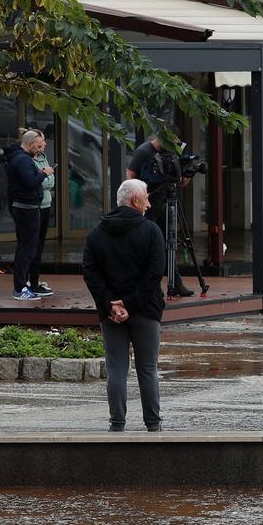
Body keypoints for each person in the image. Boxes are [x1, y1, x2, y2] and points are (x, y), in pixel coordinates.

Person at [82, 178, 168, 433]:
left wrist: (110, 304)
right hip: (145, 310)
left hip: (110, 314)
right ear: (135, 201)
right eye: (147, 199)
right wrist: (130, 304)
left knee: (116, 369)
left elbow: (90, 271)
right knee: (148, 369)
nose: (149, 204)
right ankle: (153, 424)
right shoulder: (151, 231)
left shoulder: (97, 232)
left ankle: (116, 423)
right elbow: (155, 273)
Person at [127, 134, 194, 297]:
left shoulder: (173, 152)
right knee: (150, 245)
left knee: (169, 243)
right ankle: (152, 286)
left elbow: (181, 182)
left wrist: (187, 174)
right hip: (146, 204)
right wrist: (135, 200)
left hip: (166, 202)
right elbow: (130, 175)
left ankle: (175, 283)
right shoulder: (143, 151)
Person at [3, 129, 55, 301]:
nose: (42, 148)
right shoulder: (22, 160)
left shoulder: (21, 158)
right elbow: (30, 182)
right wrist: (44, 173)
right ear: (31, 143)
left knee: (30, 248)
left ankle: (26, 285)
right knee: (27, 249)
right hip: (26, 208)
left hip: (28, 206)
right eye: (39, 145)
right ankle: (19, 288)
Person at [30, 132, 56, 296]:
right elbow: (40, 181)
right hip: (36, 205)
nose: (44, 144)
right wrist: (45, 175)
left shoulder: (43, 157)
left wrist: (46, 176)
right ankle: (31, 280)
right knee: (34, 245)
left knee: (40, 243)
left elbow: (50, 181)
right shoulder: (29, 160)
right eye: (41, 143)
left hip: (46, 204)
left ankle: (34, 279)